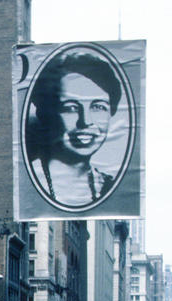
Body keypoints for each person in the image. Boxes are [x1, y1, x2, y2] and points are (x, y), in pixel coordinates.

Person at [26, 49, 124, 208]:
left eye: (98, 107)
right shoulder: (30, 180)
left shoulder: (108, 186)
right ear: (45, 114)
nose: (85, 121)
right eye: (71, 108)